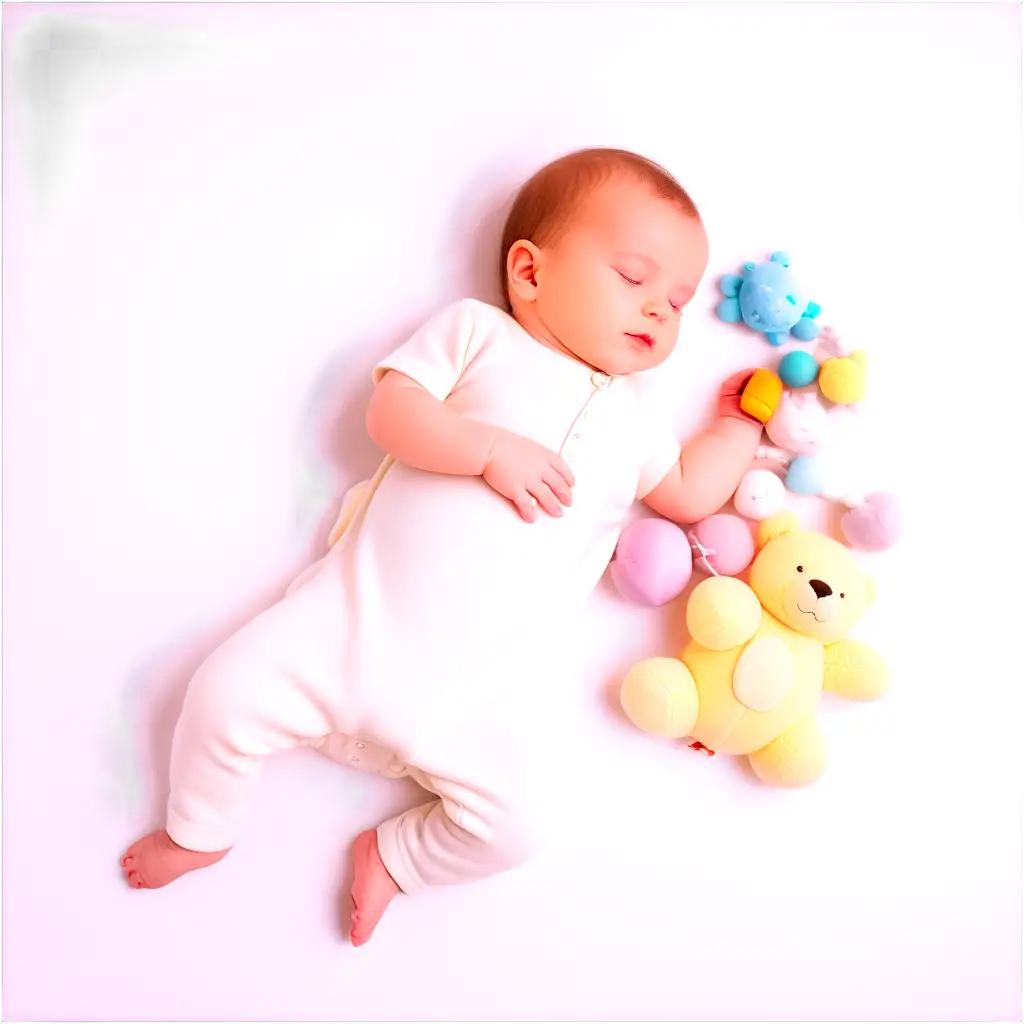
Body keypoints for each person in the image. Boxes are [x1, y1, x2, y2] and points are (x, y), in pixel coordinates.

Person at [120, 147, 763, 947]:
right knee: (220, 694)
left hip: (473, 694)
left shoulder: (639, 416)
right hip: (345, 629)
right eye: (634, 278)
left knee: (519, 828)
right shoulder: (478, 334)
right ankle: (199, 830)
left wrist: (737, 430)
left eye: (676, 301)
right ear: (528, 272)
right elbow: (392, 415)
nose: (658, 313)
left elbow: (688, 495)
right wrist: (486, 449)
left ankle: (398, 856)